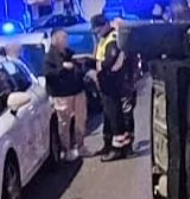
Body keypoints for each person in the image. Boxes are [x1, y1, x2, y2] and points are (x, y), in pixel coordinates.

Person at [92, 15, 135, 162]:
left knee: (117, 115)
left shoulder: (112, 38)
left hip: (113, 82)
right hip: (107, 82)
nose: (96, 32)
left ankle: (119, 148)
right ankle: (114, 145)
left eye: (98, 29)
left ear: (105, 25)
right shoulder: (104, 39)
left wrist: (100, 66)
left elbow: (110, 60)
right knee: (110, 116)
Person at [44, 29, 91, 161]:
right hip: (62, 95)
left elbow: (79, 68)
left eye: (66, 37)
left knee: (81, 120)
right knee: (64, 123)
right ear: (55, 40)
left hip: (77, 91)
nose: (66, 40)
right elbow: (48, 74)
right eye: (63, 38)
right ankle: (66, 149)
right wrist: (63, 67)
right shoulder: (50, 57)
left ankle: (80, 146)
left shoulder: (70, 54)